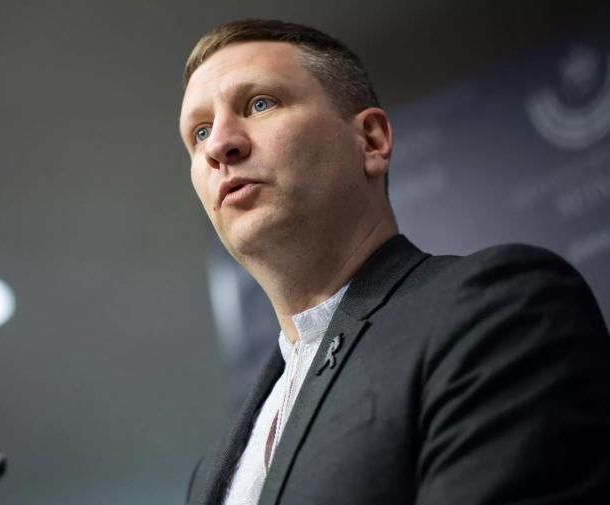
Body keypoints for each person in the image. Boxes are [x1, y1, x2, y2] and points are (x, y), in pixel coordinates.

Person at [178, 19, 610, 505]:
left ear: (371, 141)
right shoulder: (207, 476)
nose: (219, 145)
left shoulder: (502, 311)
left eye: (260, 103)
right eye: (200, 132)